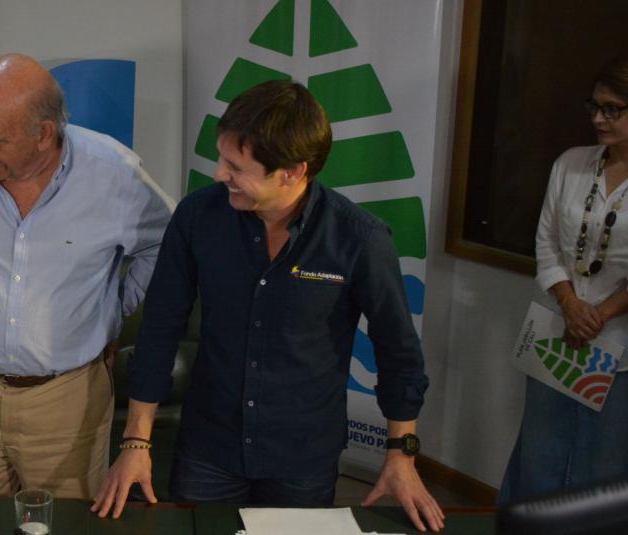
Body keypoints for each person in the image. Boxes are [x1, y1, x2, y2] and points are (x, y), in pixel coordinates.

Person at [93, 80, 445, 532]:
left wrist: (401, 456)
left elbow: (399, 353)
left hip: (303, 459)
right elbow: (160, 327)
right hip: (208, 450)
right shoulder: (197, 217)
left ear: (292, 173)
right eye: (221, 158)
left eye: (236, 166)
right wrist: (135, 443)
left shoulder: (359, 239)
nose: (219, 174)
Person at [0, 54, 173, 499]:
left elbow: (168, 245)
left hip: (67, 402)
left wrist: (110, 310)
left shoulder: (115, 174)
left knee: (64, 525)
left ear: (44, 134)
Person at [499, 55, 628, 505]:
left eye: (613, 109)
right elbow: (547, 243)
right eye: (594, 106)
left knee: (602, 467)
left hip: (619, 349)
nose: (598, 118)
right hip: (558, 332)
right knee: (540, 455)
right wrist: (571, 306)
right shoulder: (571, 163)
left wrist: (598, 316)